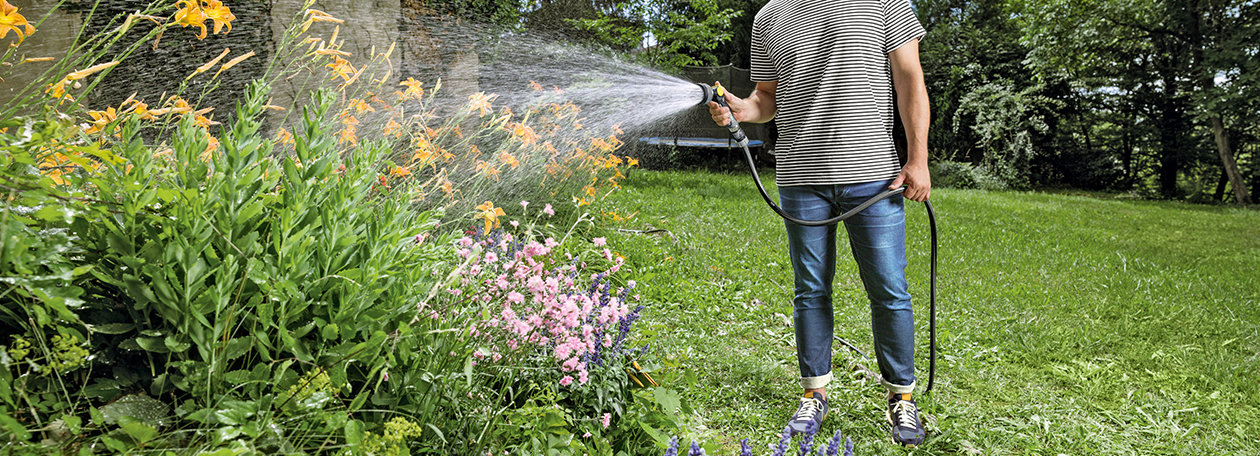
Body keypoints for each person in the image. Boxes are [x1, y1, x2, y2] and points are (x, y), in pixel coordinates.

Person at [707, 0, 931, 447]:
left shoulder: (885, 3)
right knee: (810, 288)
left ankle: (902, 398)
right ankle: (814, 394)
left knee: (889, 288)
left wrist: (918, 158)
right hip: (800, 180)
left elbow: (910, 79)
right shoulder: (770, 14)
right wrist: (741, 110)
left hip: (875, 177)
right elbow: (766, 99)